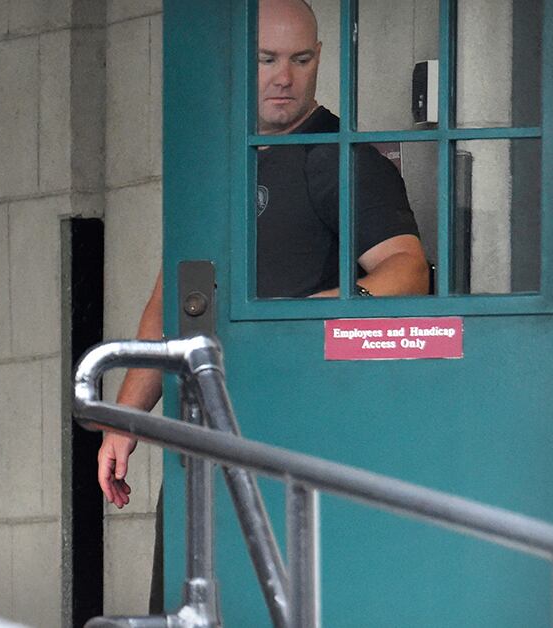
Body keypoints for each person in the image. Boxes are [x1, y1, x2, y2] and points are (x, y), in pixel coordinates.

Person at [98, 0, 430, 509]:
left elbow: (408, 270)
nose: (284, 77)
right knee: (193, 558)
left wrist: (308, 316)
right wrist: (125, 421)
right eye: (267, 59)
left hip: (305, 430)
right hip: (206, 428)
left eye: (300, 59)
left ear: (319, 57)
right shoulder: (214, 165)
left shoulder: (341, 158)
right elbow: (171, 301)